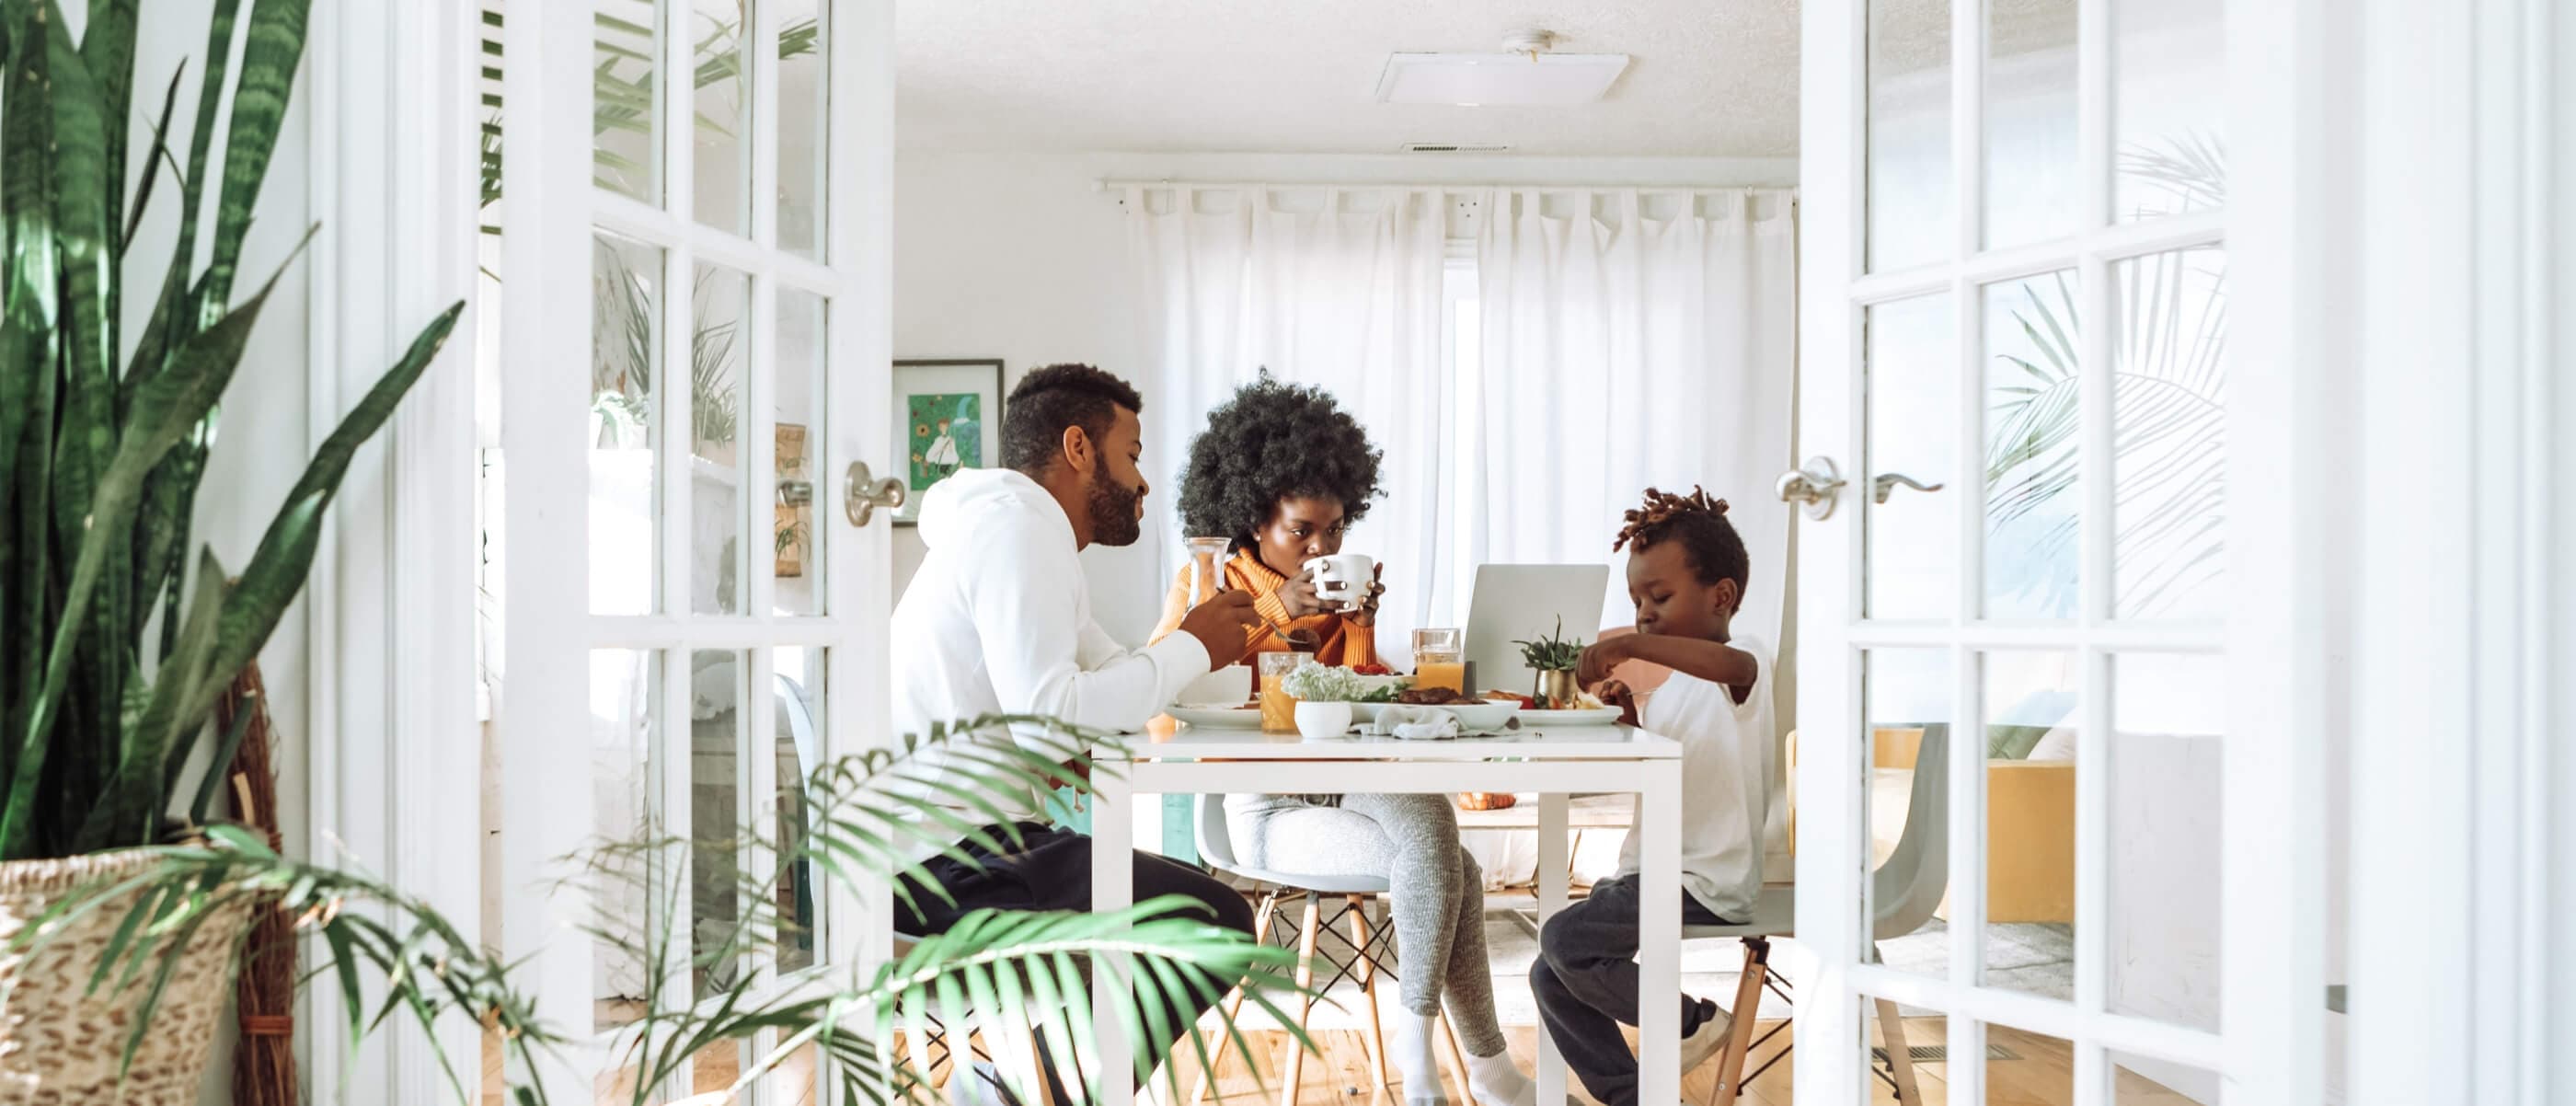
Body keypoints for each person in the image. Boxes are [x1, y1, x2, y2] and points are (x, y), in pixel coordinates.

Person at [1146, 376, 1539, 1106]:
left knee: (1431, 822)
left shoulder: (1333, 598)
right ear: (1254, 517)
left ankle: (1429, 1059)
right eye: (1303, 531)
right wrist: (1272, 607)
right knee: (1454, 865)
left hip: (1345, 780)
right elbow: (1163, 713)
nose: (1321, 547)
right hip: (1263, 807)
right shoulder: (1207, 586)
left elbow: (1357, 709)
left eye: (1335, 531)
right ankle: (1466, 1069)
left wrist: (1356, 626)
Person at [888, 363, 1266, 1099]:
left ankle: (1023, 1085)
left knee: (1198, 913)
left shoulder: (1021, 532)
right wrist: (1192, 644)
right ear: (1078, 448)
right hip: (949, 861)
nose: (1143, 482)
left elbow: (1105, 674)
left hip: (957, 842)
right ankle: (1031, 1091)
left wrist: (1193, 646)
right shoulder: (1016, 528)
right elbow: (1055, 712)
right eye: (1133, 455)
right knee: (1213, 922)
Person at [1528, 487, 1778, 1106]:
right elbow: (1659, 763)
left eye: (1659, 598)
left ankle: (1693, 1022)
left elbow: (1730, 672)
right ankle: (1631, 1098)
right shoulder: (1672, 693)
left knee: (1564, 941)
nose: (1643, 613)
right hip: (1649, 873)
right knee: (1550, 973)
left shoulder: (1746, 664)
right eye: (1637, 600)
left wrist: (1631, 647)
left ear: (1722, 596)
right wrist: (1629, 713)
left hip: (1705, 879)